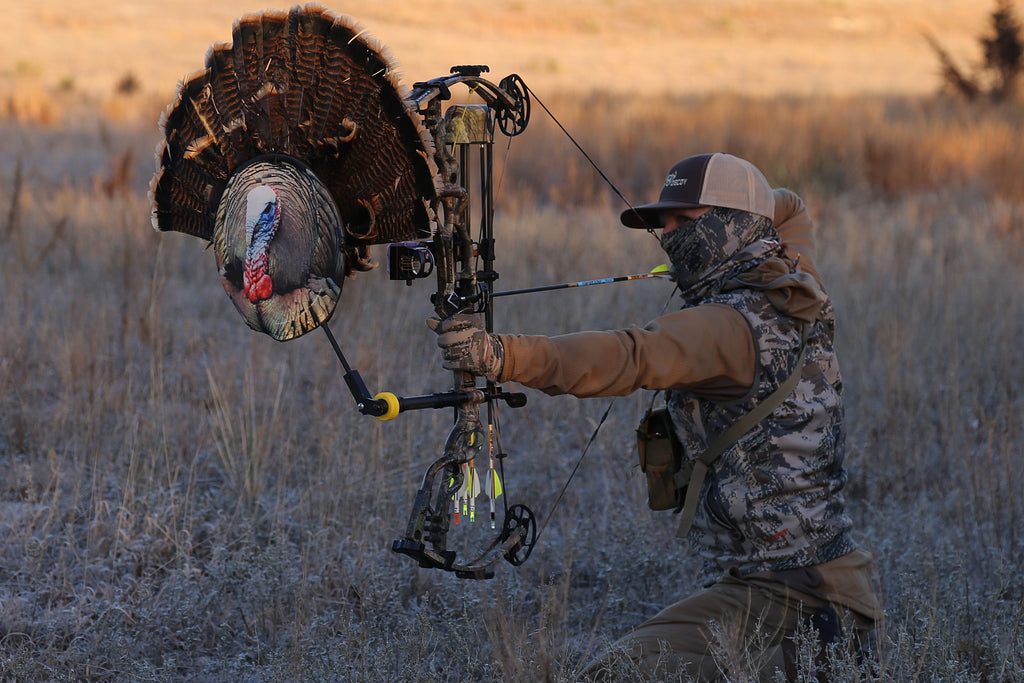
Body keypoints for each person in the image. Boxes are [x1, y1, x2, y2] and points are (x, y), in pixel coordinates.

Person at [429, 153, 883, 681]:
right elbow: (791, 207)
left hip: (797, 600)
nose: (666, 235)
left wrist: (501, 356)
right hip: (826, 587)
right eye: (663, 221)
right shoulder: (796, 284)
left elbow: (632, 355)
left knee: (618, 674)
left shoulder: (729, 327)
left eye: (683, 221)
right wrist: (758, 202)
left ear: (729, 226)